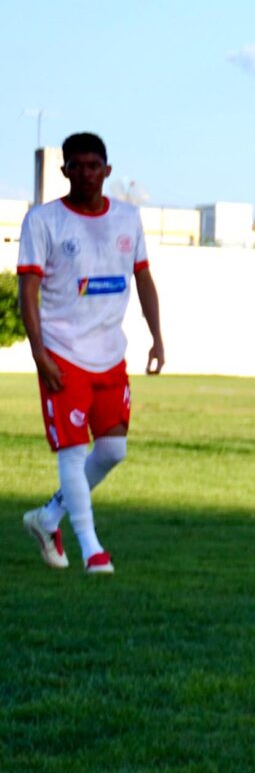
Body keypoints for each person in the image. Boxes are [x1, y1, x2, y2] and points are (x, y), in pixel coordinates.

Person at [16, 132, 165, 575]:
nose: (84, 174)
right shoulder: (42, 221)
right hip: (63, 353)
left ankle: (47, 519)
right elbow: (29, 289)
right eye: (75, 166)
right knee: (73, 453)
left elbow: (142, 278)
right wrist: (39, 352)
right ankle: (91, 549)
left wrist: (157, 336)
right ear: (63, 171)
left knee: (114, 450)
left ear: (107, 171)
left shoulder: (127, 218)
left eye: (93, 166)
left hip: (110, 355)